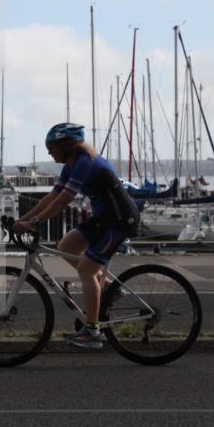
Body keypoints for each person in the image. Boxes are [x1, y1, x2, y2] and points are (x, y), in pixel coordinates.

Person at [13, 123, 140, 349]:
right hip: (104, 217)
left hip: (119, 220)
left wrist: (32, 223)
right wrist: (23, 219)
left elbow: (63, 201)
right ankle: (110, 287)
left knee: (86, 270)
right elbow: (52, 197)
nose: (49, 152)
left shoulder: (84, 163)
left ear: (65, 145)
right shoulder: (70, 165)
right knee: (66, 246)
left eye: (51, 147)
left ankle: (93, 332)